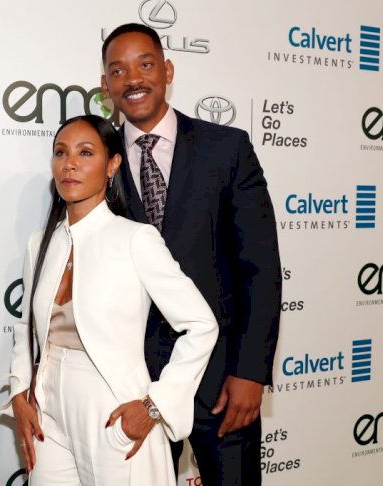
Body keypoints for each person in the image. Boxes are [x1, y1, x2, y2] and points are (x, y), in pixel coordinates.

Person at [100, 23, 282, 485]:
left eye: (145, 64)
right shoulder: (94, 161)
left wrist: (249, 372)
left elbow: (260, 268)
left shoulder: (227, 149)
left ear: (167, 69)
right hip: (132, 384)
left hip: (221, 381)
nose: (133, 79)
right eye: (118, 71)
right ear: (106, 87)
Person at [2, 114, 218, 485]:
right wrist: (21, 390)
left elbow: (201, 325)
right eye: (60, 152)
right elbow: (26, 328)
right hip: (48, 406)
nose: (69, 163)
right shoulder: (39, 243)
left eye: (85, 153)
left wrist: (155, 405)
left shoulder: (135, 239)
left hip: (111, 408)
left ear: (112, 164)